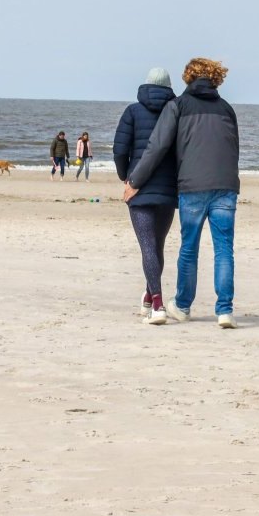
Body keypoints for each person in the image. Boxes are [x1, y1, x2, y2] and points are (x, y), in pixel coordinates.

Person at [124, 57, 240, 329]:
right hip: (226, 186)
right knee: (224, 250)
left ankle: (184, 306)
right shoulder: (227, 109)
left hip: (192, 185)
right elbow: (234, 148)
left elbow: (157, 146)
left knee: (189, 249)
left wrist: (135, 181)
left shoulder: (178, 106)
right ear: (216, 79)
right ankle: (224, 311)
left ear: (189, 77)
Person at [113, 68, 179, 325]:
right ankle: (149, 297)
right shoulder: (176, 110)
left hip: (138, 189)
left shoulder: (132, 111)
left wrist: (125, 176)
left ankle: (158, 303)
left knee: (148, 246)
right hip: (167, 189)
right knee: (156, 245)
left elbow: (120, 148)